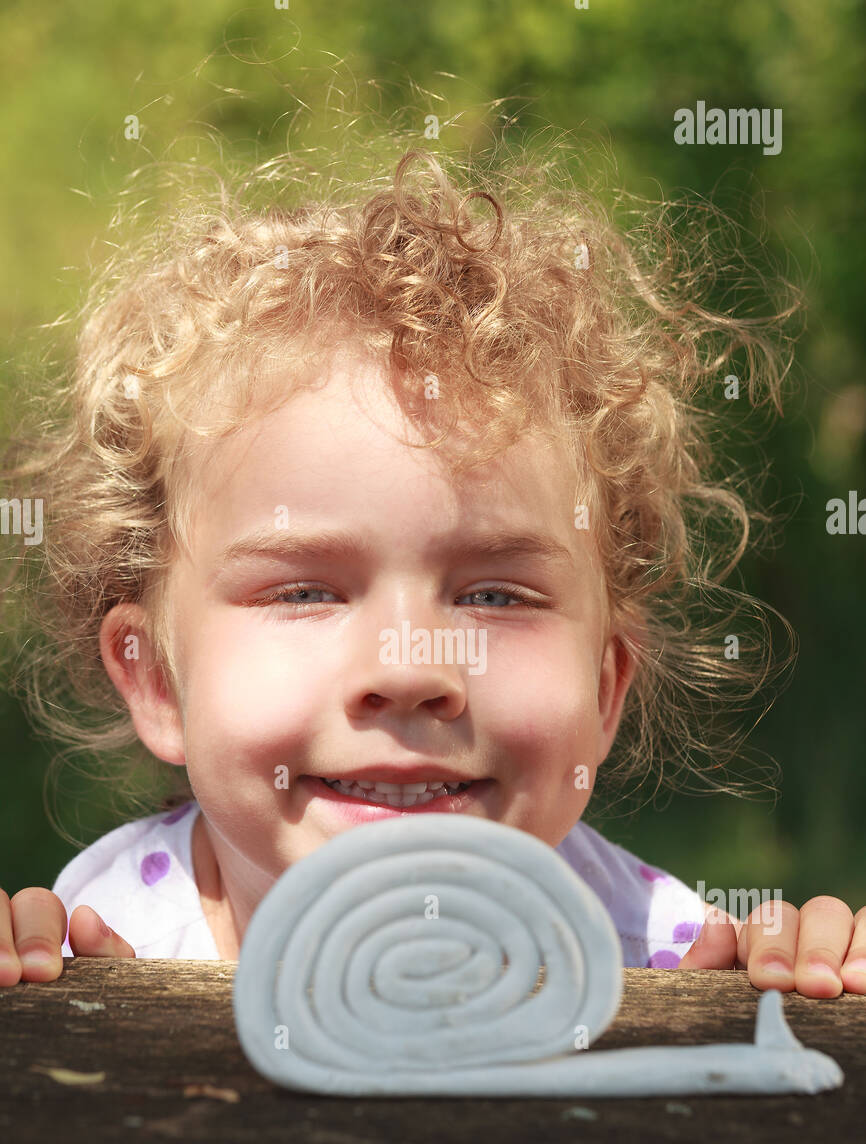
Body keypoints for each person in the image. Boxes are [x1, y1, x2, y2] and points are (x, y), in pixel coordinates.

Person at [2, 141, 863, 994]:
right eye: (303, 591)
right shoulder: (95, 944)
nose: (411, 670)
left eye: (494, 595)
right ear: (155, 679)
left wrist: (772, 1014)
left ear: (605, 691)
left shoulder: (665, 961)